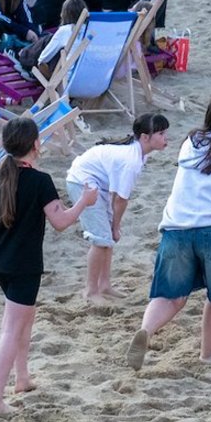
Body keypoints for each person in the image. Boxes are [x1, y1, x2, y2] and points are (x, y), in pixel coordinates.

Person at [0, 116, 98, 415]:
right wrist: (84, 202)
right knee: (11, 330)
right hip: (25, 264)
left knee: (24, 319)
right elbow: (61, 222)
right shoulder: (39, 181)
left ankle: (22, 377)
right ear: (36, 145)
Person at [126, 94, 211, 370]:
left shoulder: (189, 145)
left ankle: (146, 331)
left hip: (177, 228)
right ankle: (207, 354)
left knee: (171, 295)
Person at [65, 113, 170, 305]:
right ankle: (91, 290)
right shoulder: (131, 160)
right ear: (145, 137)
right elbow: (121, 199)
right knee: (101, 238)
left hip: (97, 183)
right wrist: (115, 226)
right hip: (83, 182)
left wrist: (114, 225)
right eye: (161, 133)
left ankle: (104, 285)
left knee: (107, 239)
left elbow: (117, 195)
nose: (166, 138)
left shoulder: (138, 154)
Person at [14, 0, 87, 78]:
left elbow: (42, 59)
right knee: (49, 38)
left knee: (49, 39)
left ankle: (24, 55)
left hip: (65, 81)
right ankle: (26, 52)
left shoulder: (66, 30)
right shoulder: (90, 33)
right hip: (89, 82)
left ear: (64, 14)